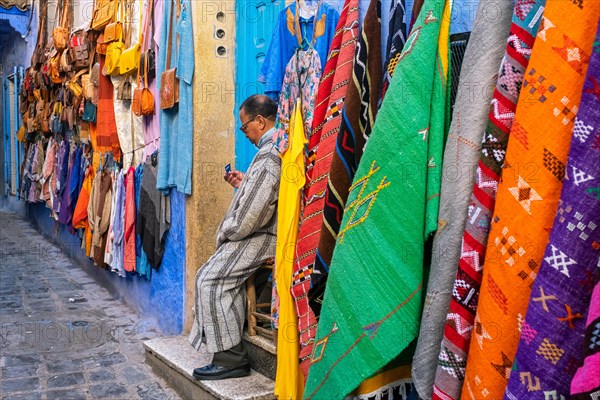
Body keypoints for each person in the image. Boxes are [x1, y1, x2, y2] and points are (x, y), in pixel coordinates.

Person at [189, 95, 281, 380]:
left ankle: (231, 359)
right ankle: (228, 351)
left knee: (210, 279)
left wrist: (227, 231)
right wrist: (244, 185)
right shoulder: (272, 148)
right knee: (210, 275)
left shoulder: (269, 154)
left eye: (245, 128)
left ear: (260, 121)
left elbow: (253, 215)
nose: (245, 133)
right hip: (261, 231)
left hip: (265, 235)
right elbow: (262, 196)